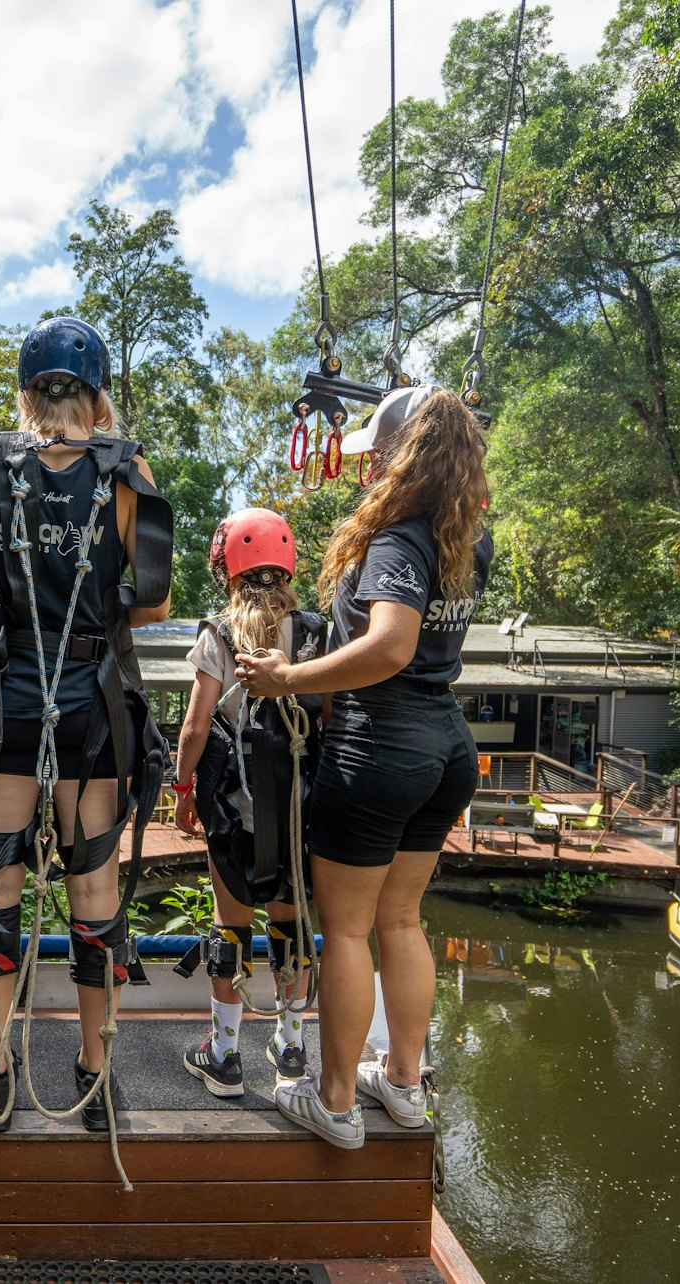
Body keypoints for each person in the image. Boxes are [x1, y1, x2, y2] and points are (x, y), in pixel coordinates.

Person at [0, 316, 172, 1133]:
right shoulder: (128, 469)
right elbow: (155, 602)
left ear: (27, 394)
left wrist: (12, 604)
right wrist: (92, 607)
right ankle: (95, 1077)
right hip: (92, 712)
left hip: (6, 705)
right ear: (97, 397)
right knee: (95, 891)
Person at [236, 385, 491, 1149]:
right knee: (402, 920)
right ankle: (404, 1085)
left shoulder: (399, 539)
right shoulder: (466, 535)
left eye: (376, 455)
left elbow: (390, 647)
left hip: (380, 747)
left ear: (402, 456)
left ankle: (337, 1101)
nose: (367, 469)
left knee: (346, 931)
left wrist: (287, 679)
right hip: (444, 746)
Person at [171, 509, 328, 1097]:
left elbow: (195, 727)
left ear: (228, 568)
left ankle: (225, 1057)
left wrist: (182, 791)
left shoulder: (218, 634)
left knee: (230, 924)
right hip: (296, 813)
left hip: (233, 809)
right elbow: (329, 719)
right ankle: (291, 1047)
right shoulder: (315, 634)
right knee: (290, 922)